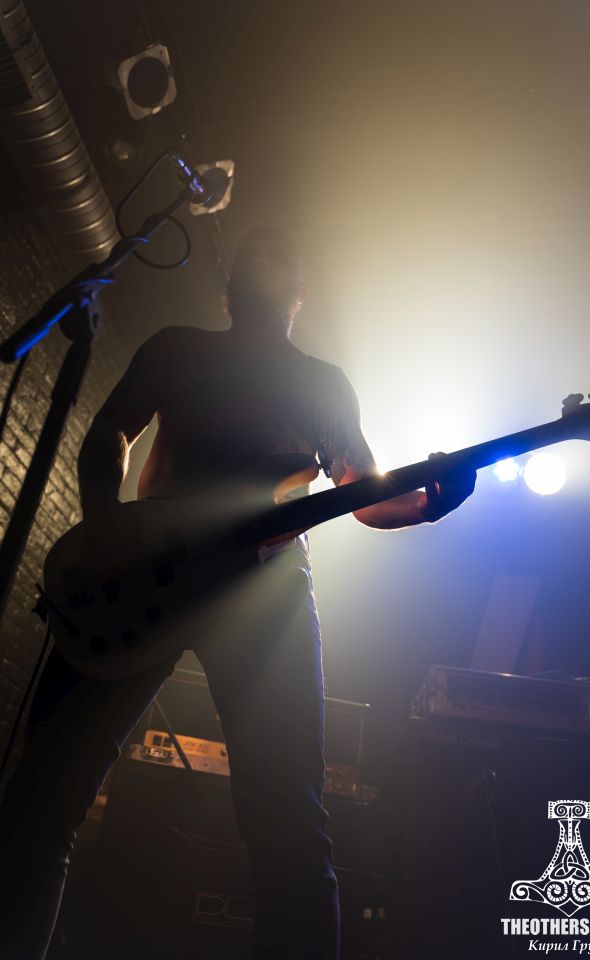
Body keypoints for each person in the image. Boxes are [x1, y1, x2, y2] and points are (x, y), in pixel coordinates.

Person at [0, 226, 476, 960]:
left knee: (290, 829)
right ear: (233, 282)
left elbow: (363, 492)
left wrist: (428, 505)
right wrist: (103, 531)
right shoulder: (177, 347)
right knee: (41, 804)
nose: (268, 253)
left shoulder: (323, 384)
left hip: (267, 590)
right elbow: (109, 433)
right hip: (139, 571)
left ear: (300, 292)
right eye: (257, 247)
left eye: (282, 251)